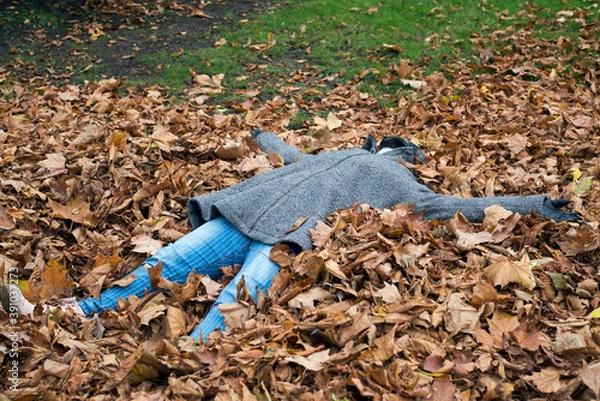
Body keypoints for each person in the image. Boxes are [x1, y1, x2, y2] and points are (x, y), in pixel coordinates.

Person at [0, 130, 578, 340]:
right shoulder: (342, 151)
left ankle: (180, 371)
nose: (388, 145)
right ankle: (67, 314)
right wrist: (267, 136)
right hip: (248, 216)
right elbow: (293, 154)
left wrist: (538, 206)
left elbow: (465, 205)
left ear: (405, 158)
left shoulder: (406, 186)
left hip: (290, 241)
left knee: (231, 304)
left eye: (398, 147)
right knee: (169, 261)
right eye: (385, 141)